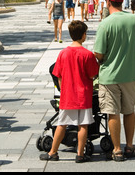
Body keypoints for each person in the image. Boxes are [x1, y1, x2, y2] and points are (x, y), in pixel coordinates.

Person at [94, 0, 135, 162]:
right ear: (122, 1)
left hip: (109, 75)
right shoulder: (134, 20)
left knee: (112, 112)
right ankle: (129, 146)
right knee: (129, 111)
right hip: (130, 73)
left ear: (108, 2)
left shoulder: (105, 24)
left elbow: (98, 53)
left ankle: (117, 150)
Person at [40, 21, 99, 163]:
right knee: (83, 125)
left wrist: (63, 89)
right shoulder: (88, 55)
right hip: (83, 95)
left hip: (67, 96)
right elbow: (92, 75)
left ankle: (53, 152)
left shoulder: (63, 53)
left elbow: (58, 75)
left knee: (62, 124)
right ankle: (80, 154)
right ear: (83, 35)